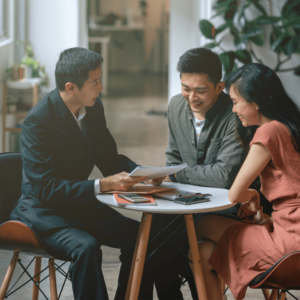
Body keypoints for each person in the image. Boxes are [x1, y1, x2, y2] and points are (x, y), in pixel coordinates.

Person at [10, 47, 163, 300]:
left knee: (143, 238)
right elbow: (46, 190)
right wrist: (101, 185)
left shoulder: (93, 108)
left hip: (79, 204)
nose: (101, 87)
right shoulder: (38, 121)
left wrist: (143, 174)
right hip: (42, 210)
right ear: (71, 87)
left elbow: (109, 158)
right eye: (95, 82)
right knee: (87, 247)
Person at [195, 63, 300, 300]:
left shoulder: (269, 132)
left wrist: (250, 195)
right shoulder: (290, 127)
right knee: (202, 251)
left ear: (256, 101)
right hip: (291, 234)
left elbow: (234, 194)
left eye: (235, 101)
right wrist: (254, 197)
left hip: (291, 244)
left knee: (201, 224)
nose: (233, 110)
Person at [153, 47, 246, 299]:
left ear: (219, 86)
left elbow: (222, 176)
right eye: (186, 88)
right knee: (151, 236)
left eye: (200, 90)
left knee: (164, 250)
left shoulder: (235, 115)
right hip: (187, 205)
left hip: (224, 209)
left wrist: (177, 176)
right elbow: (173, 157)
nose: (191, 97)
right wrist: (172, 179)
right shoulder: (175, 106)